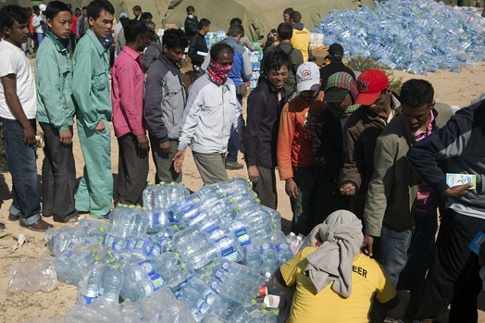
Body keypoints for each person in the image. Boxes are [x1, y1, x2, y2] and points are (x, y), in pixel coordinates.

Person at [363, 80, 452, 316]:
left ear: (431, 106)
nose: (412, 121)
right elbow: (379, 185)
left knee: (420, 266)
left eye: (419, 116)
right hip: (399, 218)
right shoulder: (389, 139)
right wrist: (372, 229)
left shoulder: (446, 119)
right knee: (390, 273)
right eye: (407, 114)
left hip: (429, 213)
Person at [407, 98, 485, 323]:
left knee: (470, 282)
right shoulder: (468, 122)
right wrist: (446, 186)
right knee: (448, 279)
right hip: (466, 216)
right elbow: (421, 154)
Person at [279, 210, 397, 323]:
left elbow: (281, 279)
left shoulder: (308, 254)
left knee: (293, 283)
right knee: (378, 299)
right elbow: (391, 302)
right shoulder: (373, 268)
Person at [0, 5, 52, 231]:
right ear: (6, 30)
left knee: (24, 165)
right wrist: (25, 126)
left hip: (22, 119)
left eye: (26, 25)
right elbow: (10, 93)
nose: (26, 31)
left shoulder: (14, 50)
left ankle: (18, 207)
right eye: (20, 27)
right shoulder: (6, 53)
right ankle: (30, 215)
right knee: (26, 170)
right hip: (16, 121)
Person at [174, 42, 241, 185]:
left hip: (221, 147)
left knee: (212, 192)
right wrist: (182, 147)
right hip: (205, 147)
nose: (227, 68)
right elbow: (189, 118)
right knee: (221, 189)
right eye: (223, 64)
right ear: (213, 62)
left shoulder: (229, 85)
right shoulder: (201, 86)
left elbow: (235, 113)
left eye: (230, 64)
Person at [36, 1, 78, 224]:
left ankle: (50, 206)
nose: (67, 27)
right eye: (62, 22)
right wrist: (62, 123)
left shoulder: (60, 46)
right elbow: (50, 90)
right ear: (49, 23)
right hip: (54, 118)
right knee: (64, 166)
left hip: (56, 116)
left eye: (69, 22)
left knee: (53, 163)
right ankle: (64, 211)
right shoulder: (48, 50)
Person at [72, 0, 114, 218]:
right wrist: (92, 119)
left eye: (111, 22)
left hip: (97, 115)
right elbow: (79, 90)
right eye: (104, 21)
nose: (109, 26)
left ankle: (83, 202)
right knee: (101, 167)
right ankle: (101, 209)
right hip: (93, 117)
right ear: (90, 21)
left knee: (94, 163)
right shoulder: (88, 48)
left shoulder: (99, 45)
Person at [338, 69, 399, 217]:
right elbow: (352, 164)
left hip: (403, 194)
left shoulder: (407, 113)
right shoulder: (354, 125)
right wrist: (351, 182)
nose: (371, 106)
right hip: (372, 196)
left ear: (387, 91)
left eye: (376, 100)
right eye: (366, 102)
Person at [277, 62, 325, 235]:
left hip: (322, 167)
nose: (308, 95)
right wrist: (289, 178)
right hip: (300, 169)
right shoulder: (291, 108)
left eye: (312, 90)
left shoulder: (325, 102)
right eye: (304, 91)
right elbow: (284, 144)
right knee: (301, 214)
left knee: (319, 211)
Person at [309, 72, 359, 226]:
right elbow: (318, 150)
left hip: (356, 187)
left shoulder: (362, 118)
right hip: (329, 184)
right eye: (332, 101)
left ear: (352, 94)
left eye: (340, 100)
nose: (336, 105)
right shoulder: (322, 118)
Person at [112, 21, 151, 206]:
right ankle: (128, 203)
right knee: (137, 170)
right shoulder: (127, 63)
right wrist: (139, 133)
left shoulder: (130, 59)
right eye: (146, 38)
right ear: (139, 38)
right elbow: (128, 102)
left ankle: (124, 200)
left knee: (128, 167)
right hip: (130, 125)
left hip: (131, 124)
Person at [244, 50, 290, 209]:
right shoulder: (259, 96)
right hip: (261, 155)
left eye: (284, 74)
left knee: (271, 197)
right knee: (266, 202)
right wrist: (251, 164)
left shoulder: (281, 92)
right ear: (267, 73)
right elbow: (251, 131)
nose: (280, 78)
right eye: (275, 74)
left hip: (272, 153)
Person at [145, 29, 188, 184]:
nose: (181, 56)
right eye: (177, 52)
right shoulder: (157, 71)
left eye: (182, 52)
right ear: (165, 49)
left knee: (175, 176)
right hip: (165, 137)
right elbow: (151, 109)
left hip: (176, 135)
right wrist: (162, 137)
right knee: (167, 180)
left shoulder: (174, 68)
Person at [221, 23, 252, 171]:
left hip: (218, 87)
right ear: (239, 35)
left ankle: (218, 155)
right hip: (235, 88)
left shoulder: (216, 47)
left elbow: (204, 67)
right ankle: (231, 157)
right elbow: (248, 73)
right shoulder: (241, 50)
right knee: (235, 122)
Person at [264, 22, 303, 99]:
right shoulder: (296, 53)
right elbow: (299, 74)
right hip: (290, 92)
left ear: (278, 35)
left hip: (272, 90)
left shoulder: (269, 51)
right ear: (291, 35)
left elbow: (264, 70)